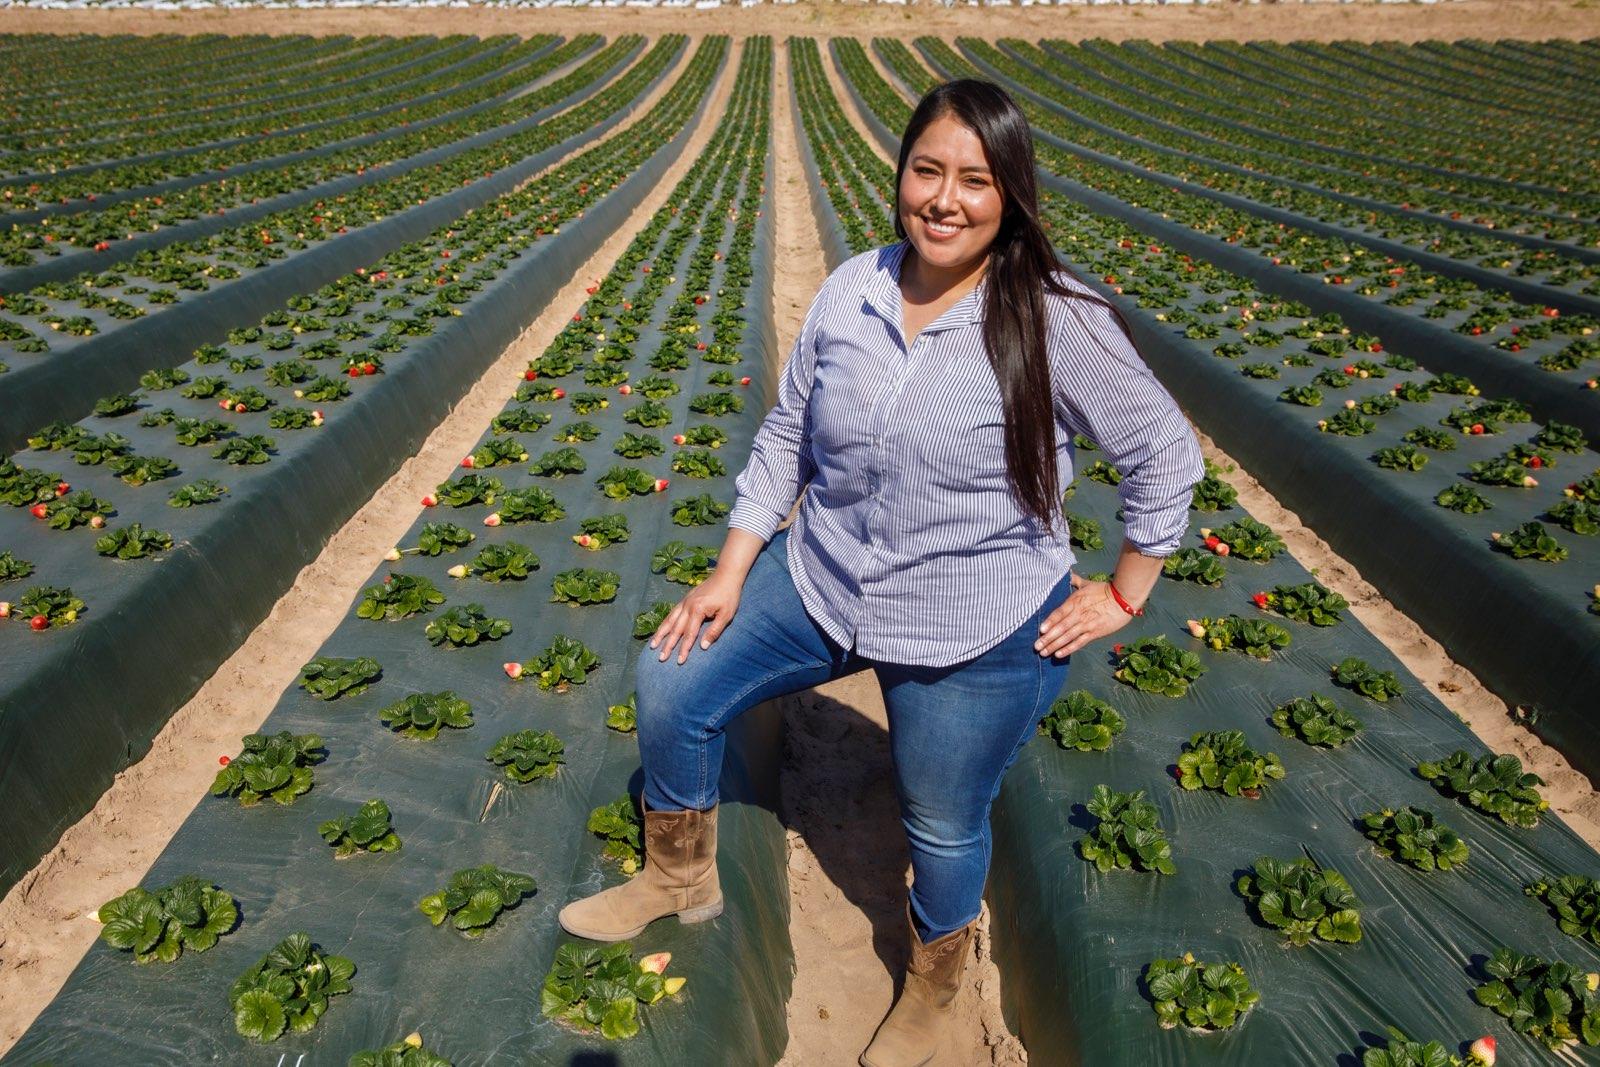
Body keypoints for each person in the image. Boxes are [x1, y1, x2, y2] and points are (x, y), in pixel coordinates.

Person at [559, 78, 1205, 1066]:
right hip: (824, 580)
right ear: (899, 173)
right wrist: (733, 567)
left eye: (974, 179)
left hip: (973, 622)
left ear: (1011, 193)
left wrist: (1124, 590)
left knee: (939, 819)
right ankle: (679, 876)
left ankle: (938, 984)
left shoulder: (1053, 317)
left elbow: (1165, 449)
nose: (944, 198)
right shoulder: (852, 287)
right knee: (671, 680)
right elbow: (786, 435)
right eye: (926, 170)